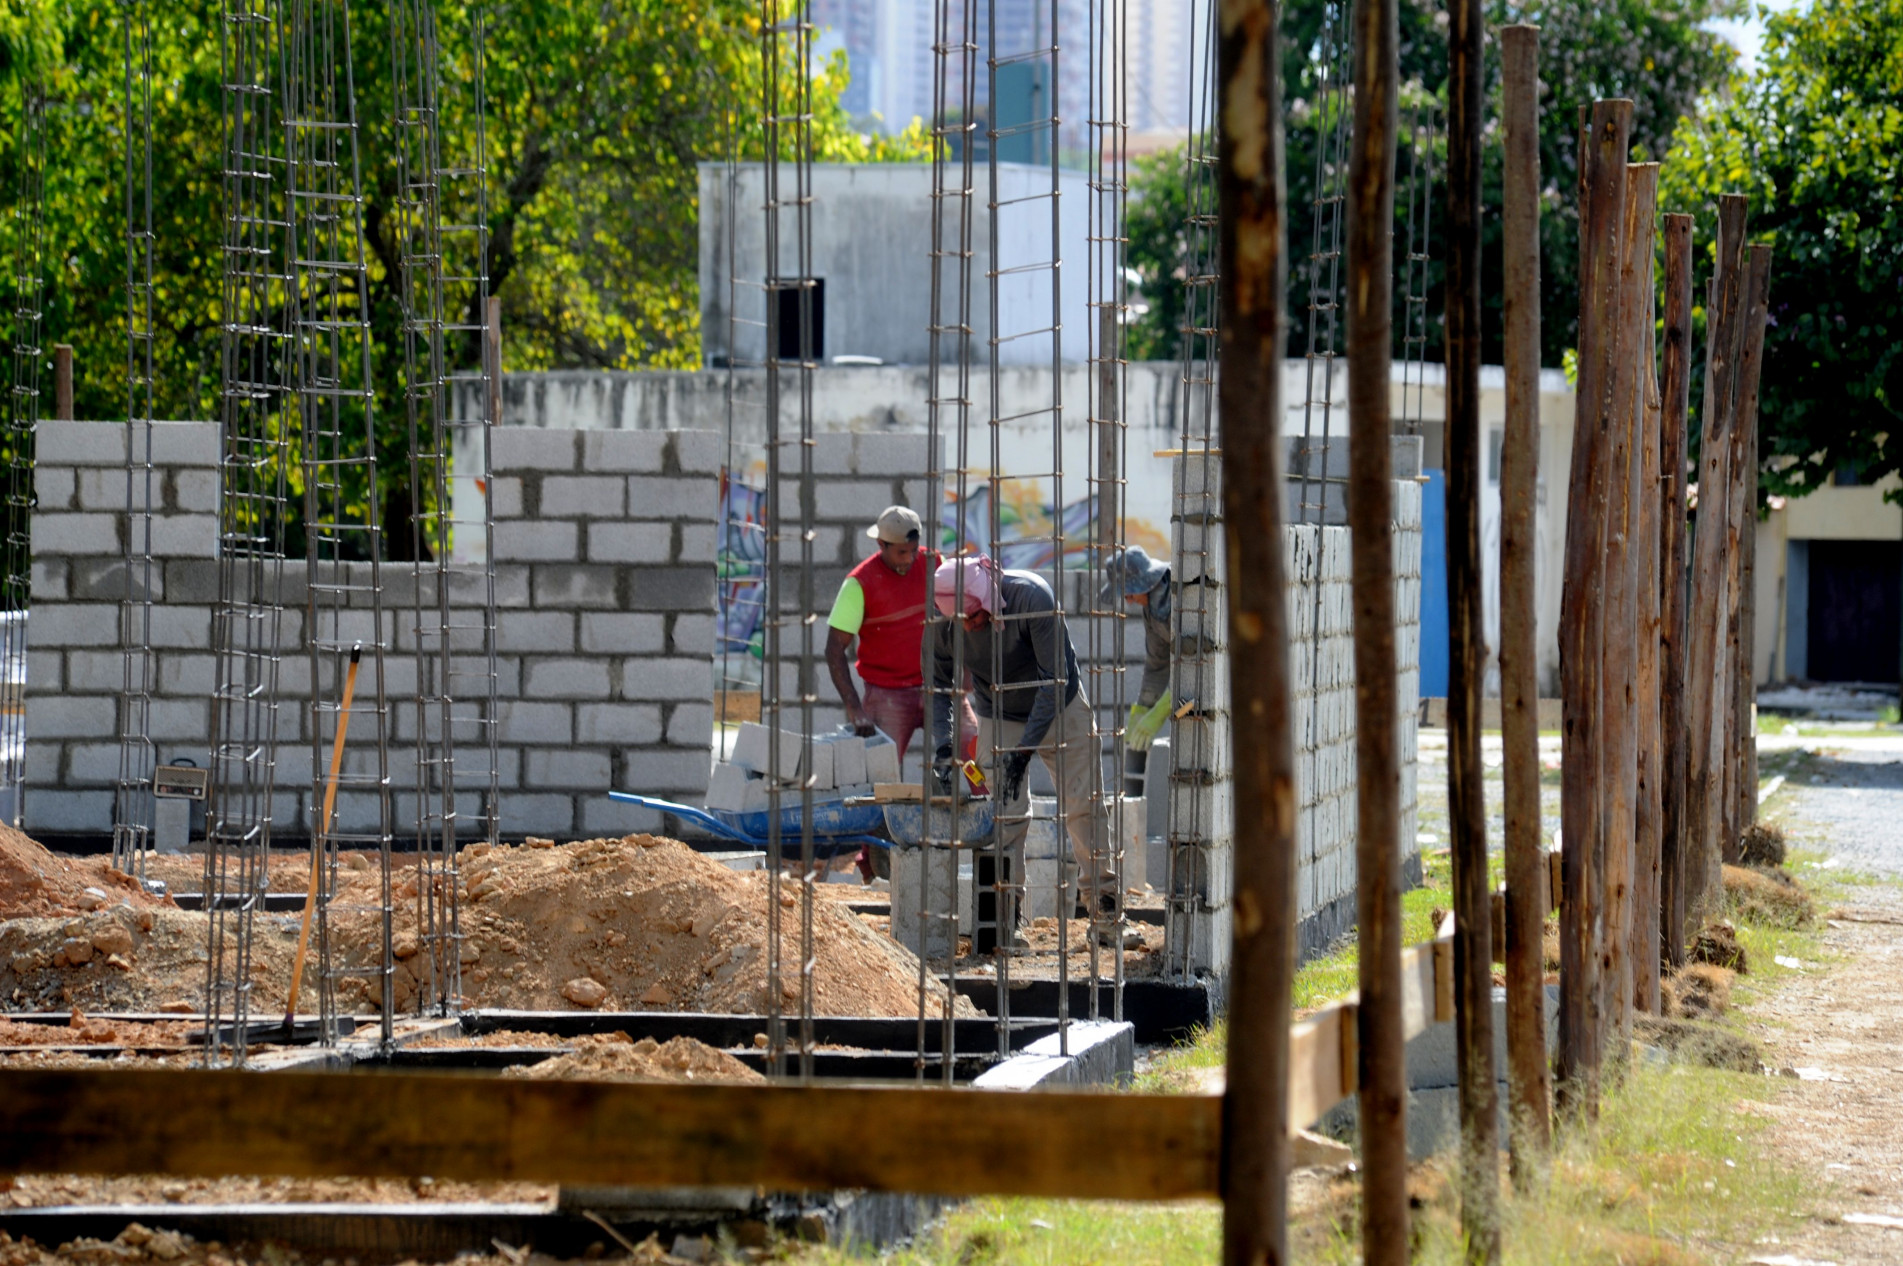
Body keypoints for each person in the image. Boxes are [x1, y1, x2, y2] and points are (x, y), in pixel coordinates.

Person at [927, 555, 1122, 943]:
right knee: (1003, 818)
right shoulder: (941, 623)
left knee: (1085, 806)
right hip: (999, 714)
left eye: (976, 616)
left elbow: (1053, 682)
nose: (970, 626)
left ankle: (1106, 916)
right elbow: (937, 687)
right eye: (961, 621)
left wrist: (1023, 752)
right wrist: (945, 746)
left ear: (987, 597)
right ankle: (1007, 919)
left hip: (1061, 706)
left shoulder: (1033, 598)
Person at [1101, 546, 1173, 797]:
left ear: (1146, 582)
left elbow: (1197, 665)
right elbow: (1157, 664)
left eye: (1129, 593)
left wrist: (1162, 710)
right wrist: (1142, 710)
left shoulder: (1181, 598)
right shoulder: (1152, 608)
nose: (1128, 600)